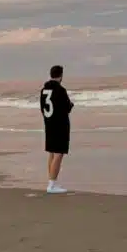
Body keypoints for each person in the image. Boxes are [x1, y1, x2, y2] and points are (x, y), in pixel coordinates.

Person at [40, 64, 74, 194]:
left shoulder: (44, 90)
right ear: (61, 76)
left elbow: (42, 108)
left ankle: (52, 181)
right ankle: (52, 185)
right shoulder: (60, 90)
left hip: (49, 124)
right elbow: (67, 107)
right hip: (60, 125)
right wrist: (71, 105)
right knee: (59, 154)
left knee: (52, 153)